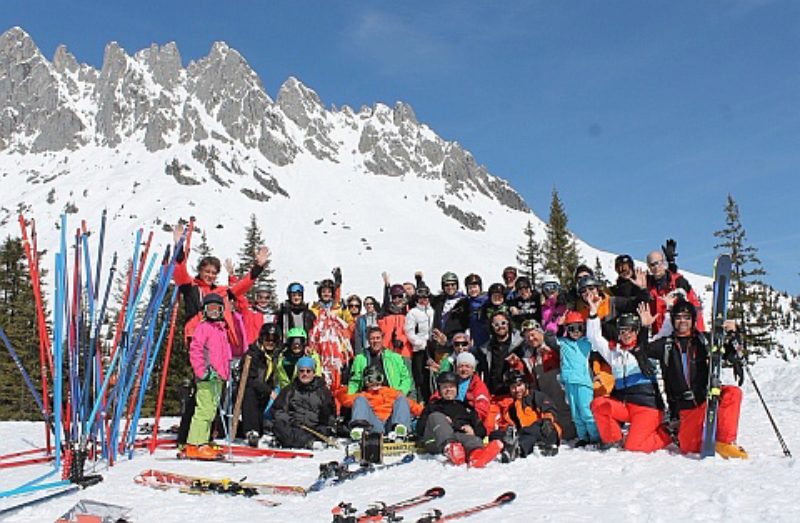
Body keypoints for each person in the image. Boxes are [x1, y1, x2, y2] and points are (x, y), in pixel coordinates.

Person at [646, 298, 748, 458]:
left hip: (706, 399)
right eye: (678, 317)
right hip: (685, 410)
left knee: (733, 393)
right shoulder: (665, 345)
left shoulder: (705, 340)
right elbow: (639, 349)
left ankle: (725, 442)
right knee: (689, 448)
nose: (683, 321)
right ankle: (687, 433)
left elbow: (729, 352)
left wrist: (735, 333)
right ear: (673, 320)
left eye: (687, 317)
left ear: (693, 320)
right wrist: (644, 328)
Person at [586, 297, 672, 453]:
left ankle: (668, 433)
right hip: (626, 407)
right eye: (622, 331)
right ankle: (613, 440)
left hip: (647, 408)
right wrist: (593, 313)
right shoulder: (615, 354)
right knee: (599, 404)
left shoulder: (647, 349)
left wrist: (647, 325)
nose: (626, 334)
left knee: (634, 447)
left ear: (637, 331)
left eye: (630, 330)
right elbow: (595, 338)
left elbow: (659, 339)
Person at [183, 294, 245, 459]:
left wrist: (227, 370)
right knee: (204, 410)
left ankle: (203, 441)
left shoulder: (221, 329)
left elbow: (224, 352)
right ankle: (194, 445)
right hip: (207, 377)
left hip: (218, 377)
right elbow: (196, 351)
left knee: (211, 412)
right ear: (204, 311)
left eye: (216, 309)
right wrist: (202, 371)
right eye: (209, 309)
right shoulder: (203, 328)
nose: (213, 312)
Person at [417, 372, 503, 468]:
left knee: (473, 440)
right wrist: (442, 422)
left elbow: (481, 429)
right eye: (445, 387)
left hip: (459, 438)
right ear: (440, 390)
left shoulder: (465, 408)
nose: (448, 390)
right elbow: (420, 429)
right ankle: (451, 448)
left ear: (457, 389)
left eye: (451, 387)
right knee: (436, 417)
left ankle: (476, 456)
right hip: (435, 441)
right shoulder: (432, 407)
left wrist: (473, 431)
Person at [338, 367, 422, 441]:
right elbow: (346, 400)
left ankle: (400, 428)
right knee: (359, 400)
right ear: (365, 382)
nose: (374, 383)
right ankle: (360, 429)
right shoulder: (364, 395)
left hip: (392, 424)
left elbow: (413, 406)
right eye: (370, 380)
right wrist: (343, 388)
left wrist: (426, 412)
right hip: (374, 425)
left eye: (377, 378)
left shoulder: (392, 392)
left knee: (402, 399)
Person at [554, 311, 600, 446]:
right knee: (576, 414)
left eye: (579, 328)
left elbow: (596, 337)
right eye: (572, 329)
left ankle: (595, 437)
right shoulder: (563, 343)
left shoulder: (587, 343)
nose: (576, 332)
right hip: (569, 382)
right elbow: (549, 337)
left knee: (586, 411)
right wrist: (559, 325)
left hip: (584, 382)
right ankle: (583, 437)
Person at [271, 356, 335, 449]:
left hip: (312, 429)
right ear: (297, 373)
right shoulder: (289, 390)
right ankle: (307, 442)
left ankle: (297, 441)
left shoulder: (323, 391)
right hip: (293, 426)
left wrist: (324, 425)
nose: (305, 374)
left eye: (308, 371)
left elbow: (329, 413)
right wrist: (291, 421)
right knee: (279, 426)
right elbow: (278, 410)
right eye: (302, 371)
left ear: (313, 373)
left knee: (323, 430)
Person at [645, 248, 705, 333]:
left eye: (658, 263)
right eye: (652, 265)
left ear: (663, 262)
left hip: (681, 334)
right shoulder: (649, 287)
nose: (656, 267)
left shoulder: (678, 282)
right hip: (660, 335)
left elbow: (694, 307)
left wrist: (699, 333)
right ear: (648, 267)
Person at [239, 323, 280, 445]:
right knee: (250, 392)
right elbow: (250, 380)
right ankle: (251, 431)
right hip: (249, 392)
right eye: (267, 339)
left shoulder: (274, 355)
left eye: (274, 340)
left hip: (264, 393)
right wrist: (269, 391)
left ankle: (268, 429)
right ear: (261, 338)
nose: (270, 343)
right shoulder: (253, 355)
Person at [503, 370, 561, 457]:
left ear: (525, 384)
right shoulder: (511, 406)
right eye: (513, 387)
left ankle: (518, 447)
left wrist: (548, 420)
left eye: (519, 385)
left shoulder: (535, 396)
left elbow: (549, 408)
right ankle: (518, 449)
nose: (517, 390)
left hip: (546, 430)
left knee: (536, 426)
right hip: (528, 436)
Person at [348, 327, 412, 395]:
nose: (375, 341)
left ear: (382, 339)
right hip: (368, 396)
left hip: (391, 395)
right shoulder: (360, 359)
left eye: (378, 338)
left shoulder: (395, 357)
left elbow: (406, 379)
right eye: (372, 338)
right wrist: (350, 395)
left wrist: (401, 391)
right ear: (368, 340)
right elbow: (354, 382)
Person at [476, 310, 521, 396]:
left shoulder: (520, 344)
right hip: (493, 394)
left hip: (514, 393)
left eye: (503, 323)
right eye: (496, 325)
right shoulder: (485, 349)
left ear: (508, 324)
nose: (500, 326)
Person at [405, 285, 435, 401]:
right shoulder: (413, 313)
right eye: (421, 298)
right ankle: (421, 399)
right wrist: (419, 343)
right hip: (419, 348)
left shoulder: (432, 311)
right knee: (420, 377)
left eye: (426, 297)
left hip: (432, 347)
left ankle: (431, 398)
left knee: (431, 375)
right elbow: (409, 331)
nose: (424, 300)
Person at [429, 272, 470, 338]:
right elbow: (424, 295)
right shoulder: (439, 301)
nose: (450, 287)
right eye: (447, 285)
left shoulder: (464, 301)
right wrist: (419, 280)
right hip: (438, 341)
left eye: (453, 284)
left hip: (456, 342)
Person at [464, 273, 490, 348]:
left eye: (475, 287)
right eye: (470, 288)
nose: (473, 290)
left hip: (487, 338)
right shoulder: (467, 302)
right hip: (475, 339)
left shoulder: (487, 299)